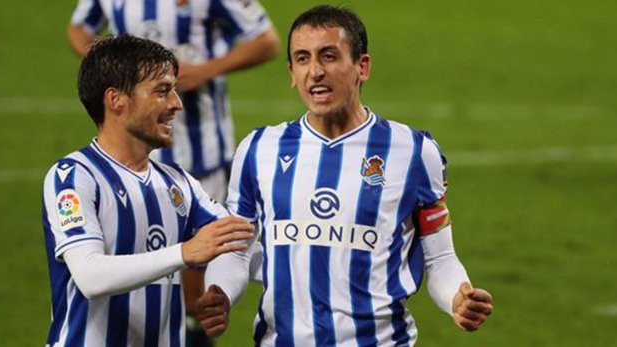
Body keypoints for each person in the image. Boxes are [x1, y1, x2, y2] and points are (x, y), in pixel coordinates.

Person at [197, 5, 494, 346]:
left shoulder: (413, 151)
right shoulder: (258, 148)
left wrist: (458, 297)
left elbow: (440, 258)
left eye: (329, 56)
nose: (316, 72)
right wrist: (219, 292)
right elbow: (236, 252)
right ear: (291, 72)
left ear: (361, 67)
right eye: (303, 59)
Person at [41, 35, 254, 346]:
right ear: (115, 100)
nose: (176, 104)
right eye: (162, 91)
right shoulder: (74, 177)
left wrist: (221, 290)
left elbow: (239, 243)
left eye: (175, 90)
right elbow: (89, 275)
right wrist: (184, 252)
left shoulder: (179, 185)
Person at [67, 0, 280, 203]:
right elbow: (79, 28)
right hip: (129, 162)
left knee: (212, 237)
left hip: (202, 154)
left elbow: (266, 40)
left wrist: (204, 71)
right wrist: (109, 65)